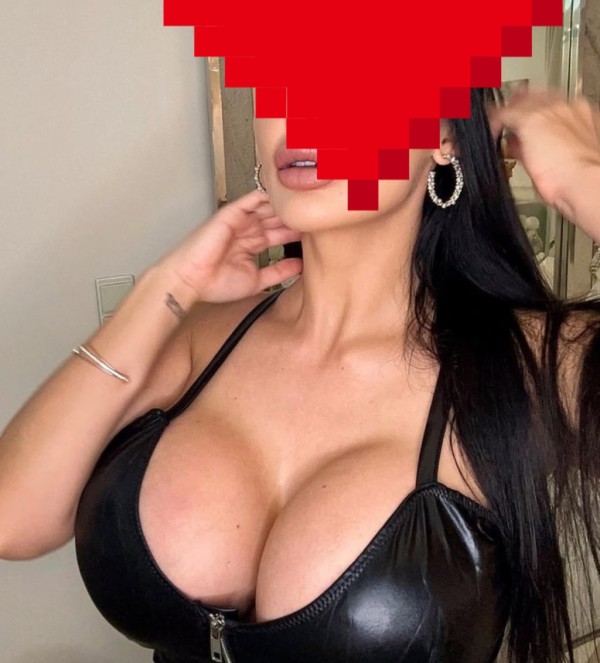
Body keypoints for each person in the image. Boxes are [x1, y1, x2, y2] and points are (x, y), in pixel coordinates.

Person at [0, 86, 599, 663]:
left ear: (445, 135)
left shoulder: (538, 363)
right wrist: (167, 287)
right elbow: (13, 519)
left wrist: (588, 180)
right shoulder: (200, 336)